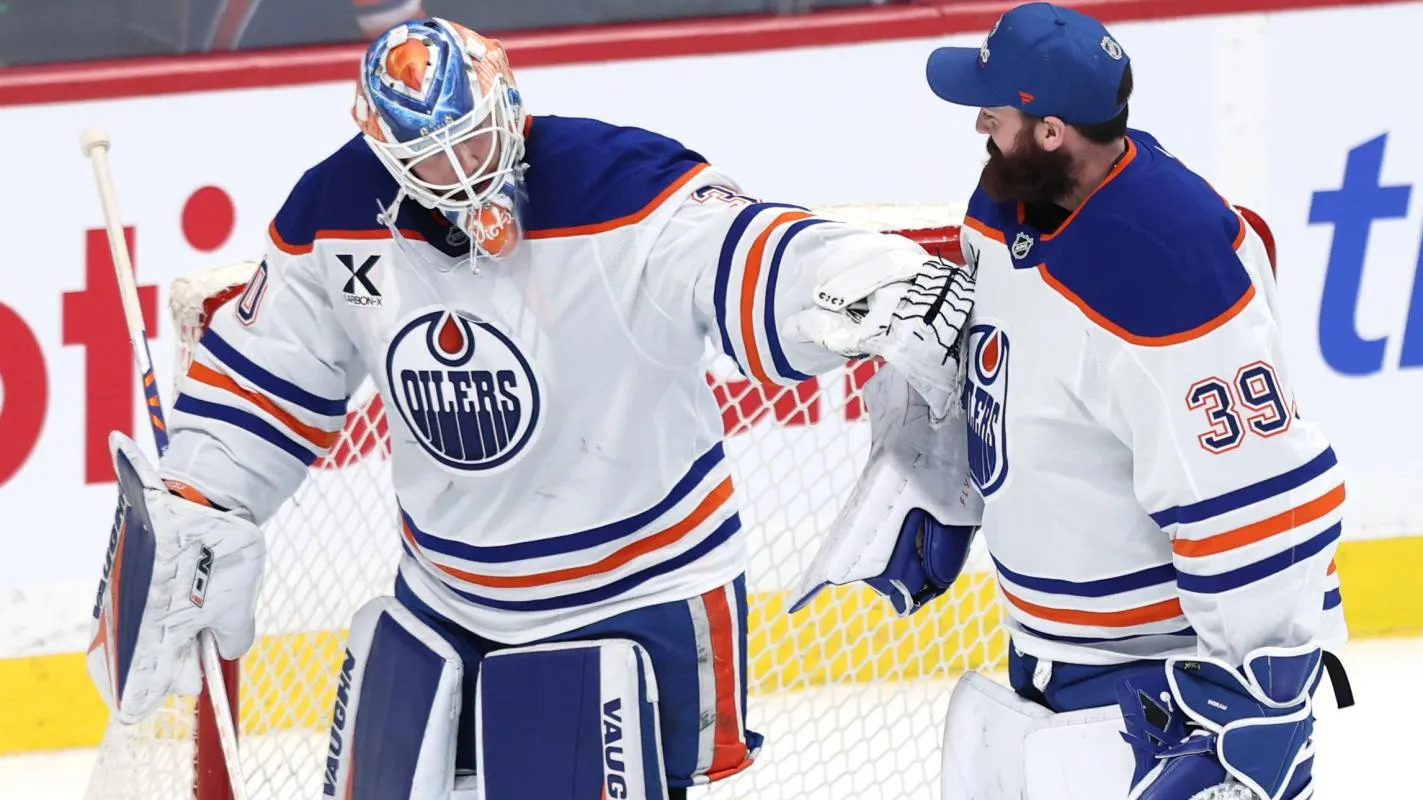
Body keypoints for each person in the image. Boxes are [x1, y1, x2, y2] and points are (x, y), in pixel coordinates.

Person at [83, 16, 973, 800]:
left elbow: (740, 247)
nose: (461, 175)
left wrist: (850, 278)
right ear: (382, 152)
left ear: (508, 99)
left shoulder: (616, 183)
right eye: (430, 160)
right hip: (445, 591)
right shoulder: (337, 210)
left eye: (472, 142)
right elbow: (270, 365)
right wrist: (203, 493)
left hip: (632, 589)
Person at [792, 4, 1350, 799]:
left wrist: (1266, 696)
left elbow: (1255, 492)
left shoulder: (1164, 263)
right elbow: (1017, 370)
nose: (979, 120)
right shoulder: (1003, 201)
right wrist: (949, 473)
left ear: (1052, 131)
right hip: (1043, 660)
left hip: (1162, 694)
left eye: (997, 109)